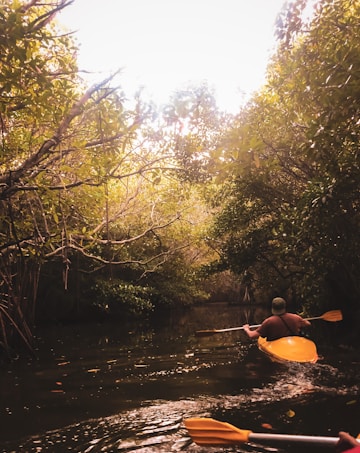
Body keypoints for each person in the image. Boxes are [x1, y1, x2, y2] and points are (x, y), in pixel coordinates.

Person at [243, 297, 311, 341]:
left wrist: (246, 329)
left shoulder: (269, 321)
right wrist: (301, 320)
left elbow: (252, 335)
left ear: (273, 308)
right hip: (295, 344)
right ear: (284, 307)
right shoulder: (296, 317)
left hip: (278, 347)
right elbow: (308, 324)